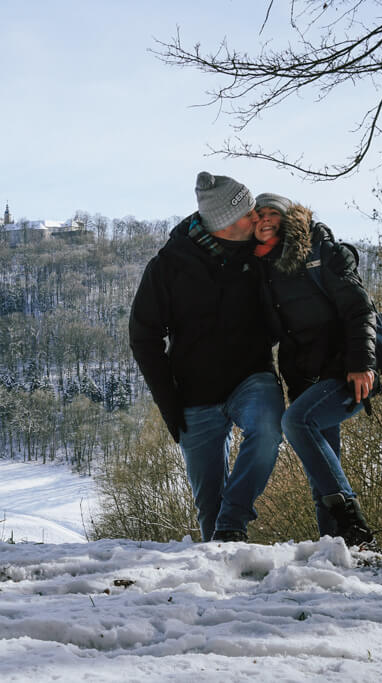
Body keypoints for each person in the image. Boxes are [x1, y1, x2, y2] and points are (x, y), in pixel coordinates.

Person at [129, 172, 284, 543]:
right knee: (208, 510)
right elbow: (143, 336)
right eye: (249, 213)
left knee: (267, 428)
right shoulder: (169, 266)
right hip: (194, 394)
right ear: (227, 224)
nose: (258, 217)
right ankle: (222, 575)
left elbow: (312, 251)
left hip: (252, 378)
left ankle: (234, 518)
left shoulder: (261, 254)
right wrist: (170, 407)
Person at [252, 192, 375, 546]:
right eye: (257, 215)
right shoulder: (263, 270)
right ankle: (338, 546)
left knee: (297, 421)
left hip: (345, 371)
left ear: (288, 216)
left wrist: (362, 364)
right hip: (305, 376)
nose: (263, 219)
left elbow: (360, 310)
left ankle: (352, 521)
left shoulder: (322, 253)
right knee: (320, 468)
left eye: (271, 212)